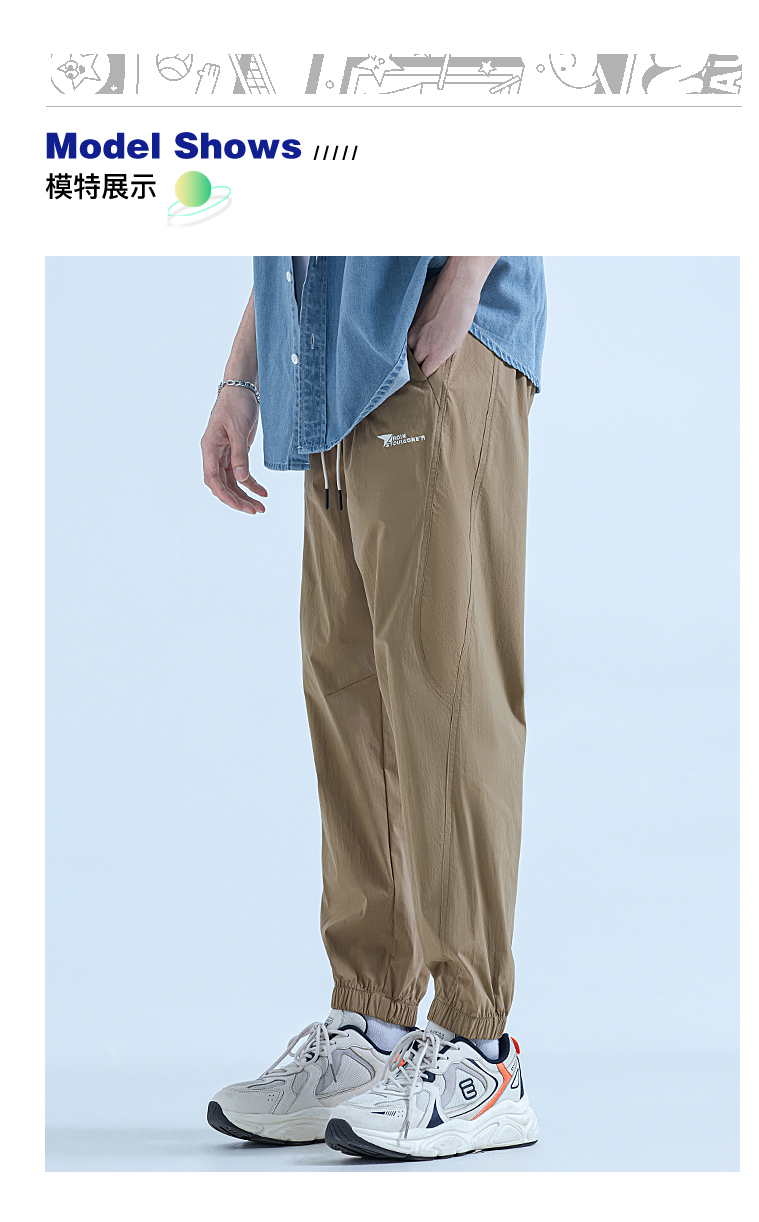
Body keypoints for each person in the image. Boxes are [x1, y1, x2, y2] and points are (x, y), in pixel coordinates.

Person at [200, 256, 547, 1161]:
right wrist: (244, 377)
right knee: (351, 698)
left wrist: (465, 276)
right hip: (331, 365)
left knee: (447, 693)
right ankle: (372, 1030)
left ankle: (479, 1055)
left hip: (435, 339)